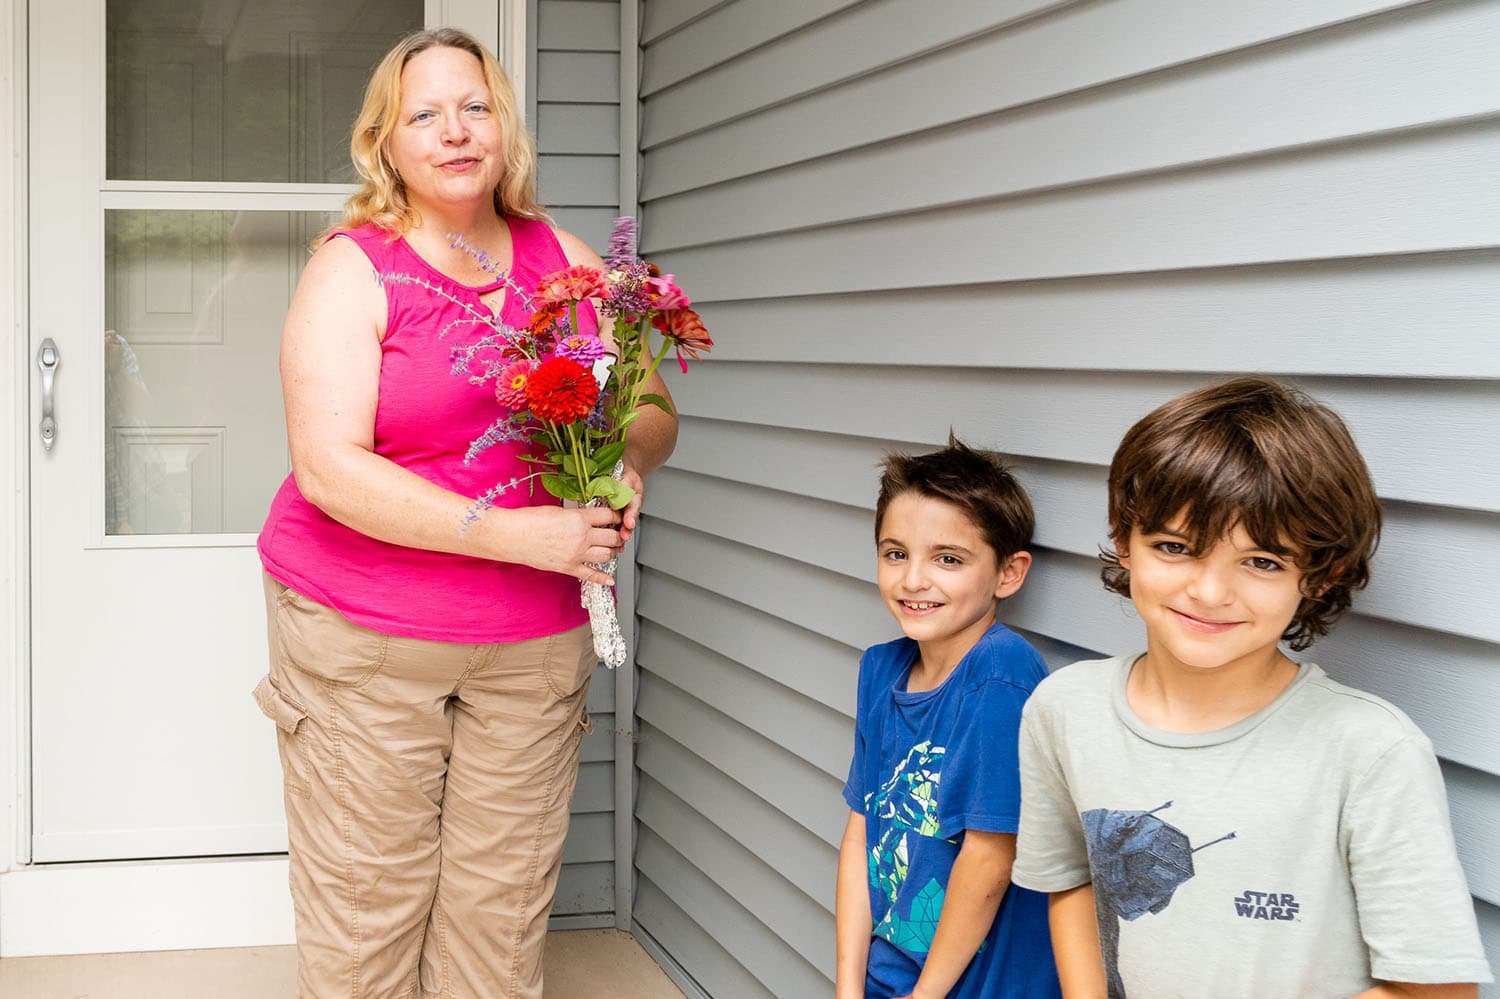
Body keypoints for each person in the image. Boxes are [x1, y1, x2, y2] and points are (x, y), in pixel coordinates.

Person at [251, 28, 677, 999]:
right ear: (385, 145)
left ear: (504, 129)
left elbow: (649, 405)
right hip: (364, 632)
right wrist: (515, 534)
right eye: (424, 114)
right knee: (369, 907)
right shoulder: (353, 269)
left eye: (474, 107)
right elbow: (328, 468)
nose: (454, 131)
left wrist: (621, 460)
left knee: (501, 912)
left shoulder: (562, 260)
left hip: (529, 643)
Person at [1012, 377, 1492, 998]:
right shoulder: (1062, 709)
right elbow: (1072, 879)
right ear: (1125, 540)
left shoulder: (1370, 751)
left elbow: (1438, 992)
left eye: (1261, 561)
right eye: (1176, 547)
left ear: (1323, 574)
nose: (1210, 592)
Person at [837, 438, 1062, 999]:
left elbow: (990, 856)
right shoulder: (880, 671)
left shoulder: (999, 678)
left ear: (1008, 574)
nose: (914, 580)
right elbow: (862, 828)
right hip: (892, 970)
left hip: (975, 981)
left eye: (948, 559)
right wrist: (847, 984)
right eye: (895, 553)